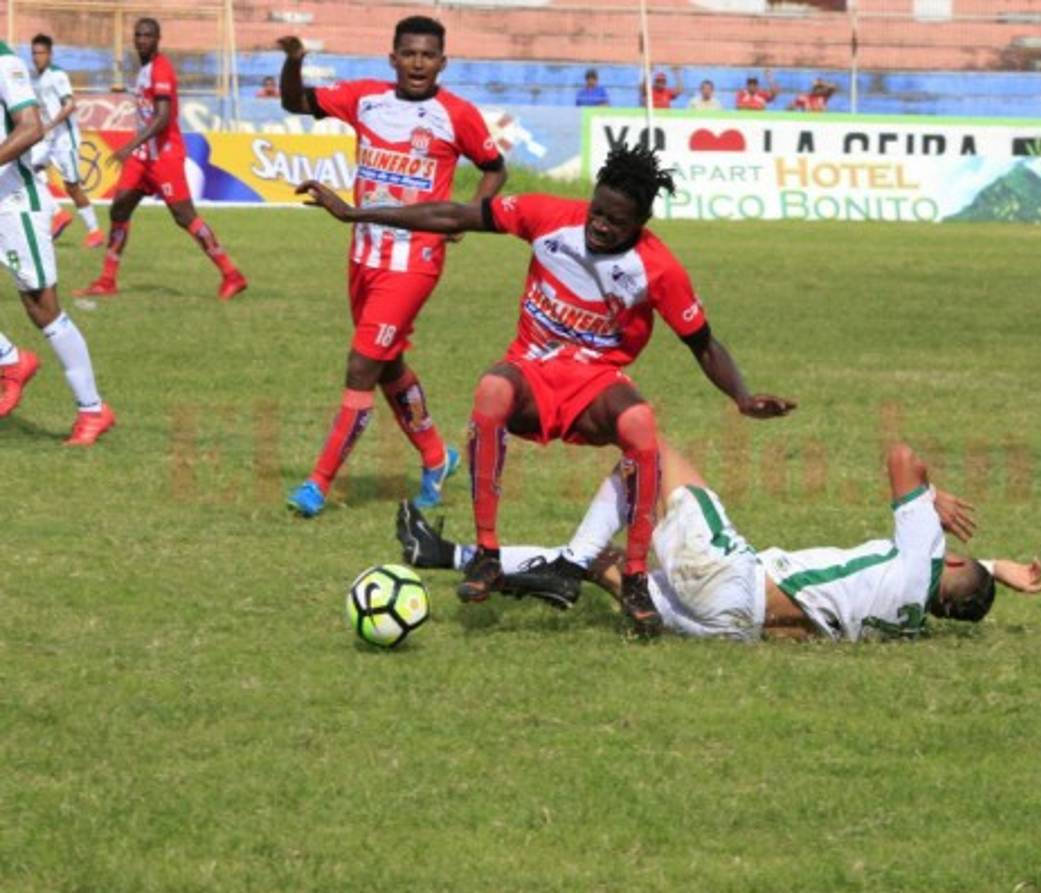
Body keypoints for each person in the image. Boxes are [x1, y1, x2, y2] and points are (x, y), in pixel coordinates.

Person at [296, 143, 794, 632]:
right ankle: (487, 554)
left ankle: (636, 578)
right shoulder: (548, 216)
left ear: (640, 223)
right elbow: (455, 215)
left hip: (595, 382)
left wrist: (742, 397)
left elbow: (704, 343)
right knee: (492, 390)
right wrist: (356, 212)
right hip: (531, 371)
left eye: (616, 222)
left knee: (641, 423)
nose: (600, 225)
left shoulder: (658, 267)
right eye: (597, 211)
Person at [397, 441, 1041, 641]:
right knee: (603, 562)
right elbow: (945, 578)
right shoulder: (909, 623)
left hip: (729, 578)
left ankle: (563, 570)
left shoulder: (918, 556)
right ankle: (443, 556)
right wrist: (990, 570)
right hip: (729, 626)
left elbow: (899, 455)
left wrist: (928, 495)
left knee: (644, 451)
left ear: (950, 557)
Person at [277, 17, 506, 516]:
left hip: (414, 262)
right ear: (393, 58)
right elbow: (295, 102)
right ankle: (436, 455)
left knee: (362, 365)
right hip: (363, 254)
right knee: (387, 365)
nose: (418, 63)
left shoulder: (457, 115)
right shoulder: (366, 99)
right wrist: (294, 62)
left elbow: (494, 167)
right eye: (409, 54)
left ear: (442, 63)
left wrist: (466, 215)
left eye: (428, 55)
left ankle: (317, 484)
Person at [74, 18, 247, 301]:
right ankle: (107, 280)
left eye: (148, 35)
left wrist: (130, 145)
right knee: (119, 209)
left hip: (163, 156)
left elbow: (164, 117)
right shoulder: (143, 69)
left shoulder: (161, 69)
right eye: (138, 34)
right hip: (143, 157)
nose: (142, 39)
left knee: (184, 216)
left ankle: (231, 274)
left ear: (158, 39)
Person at [0, 40, 114, 443]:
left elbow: (30, 127)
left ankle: (93, 409)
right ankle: (11, 360)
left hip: (12, 203)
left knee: (42, 307)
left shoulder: (5, 63)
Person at [29, 34, 104, 247]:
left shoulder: (57, 75)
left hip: (65, 140)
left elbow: (70, 105)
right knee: (28, 170)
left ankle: (95, 231)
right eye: (33, 53)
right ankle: (58, 213)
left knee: (71, 187)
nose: (36, 57)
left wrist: (50, 125)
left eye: (40, 53)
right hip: (47, 140)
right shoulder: (35, 78)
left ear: (50, 54)